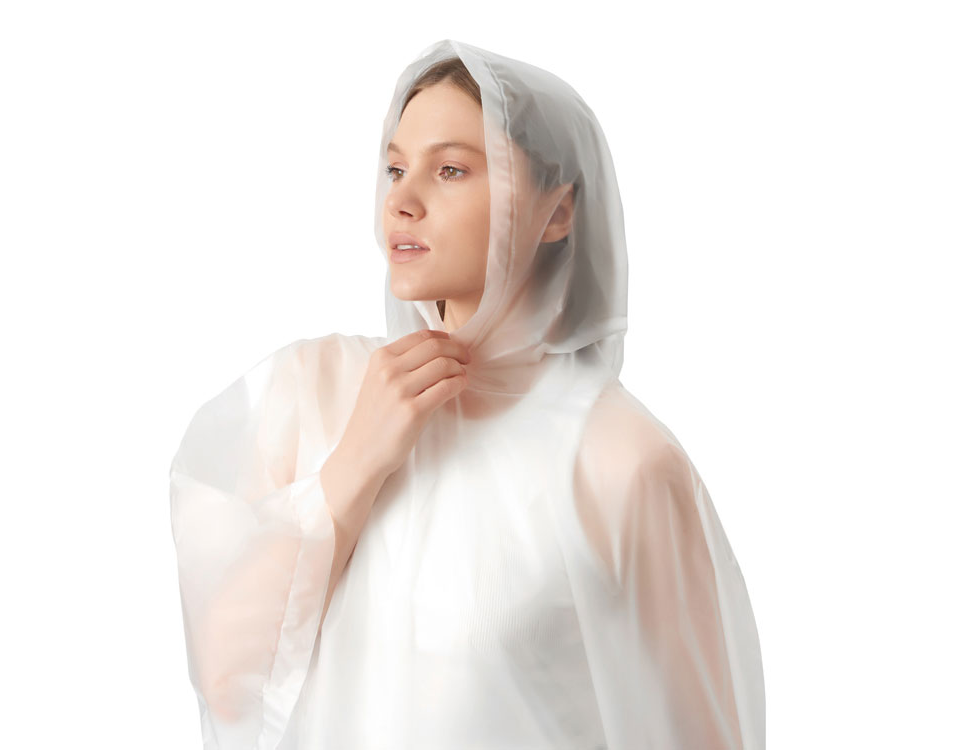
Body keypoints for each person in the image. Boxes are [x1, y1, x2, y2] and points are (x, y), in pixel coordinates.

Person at [169, 39, 766, 750]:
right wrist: (353, 466)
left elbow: (704, 735)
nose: (402, 201)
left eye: (450, 169)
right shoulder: (314, 388)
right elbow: (227, 680)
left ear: (558, 211)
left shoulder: (620, 457)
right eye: (395, 168)